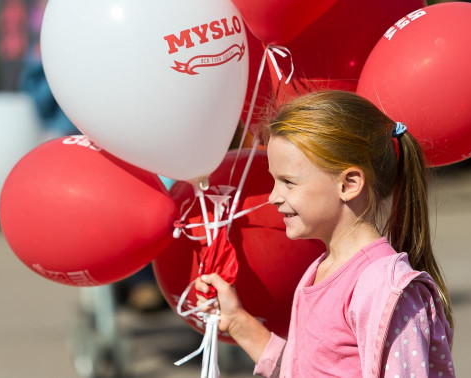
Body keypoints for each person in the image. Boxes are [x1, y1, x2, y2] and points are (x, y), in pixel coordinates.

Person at [195, 91, 455, 377]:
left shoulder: (385, 287)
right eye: (274, 180)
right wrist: (237, 322)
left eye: (288, 182)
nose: (272, 197)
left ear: (349, 184)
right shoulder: (320, 269)